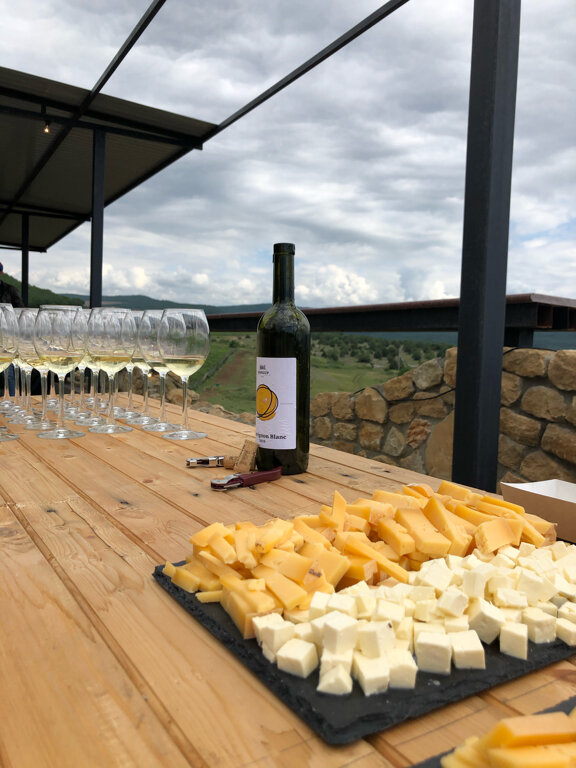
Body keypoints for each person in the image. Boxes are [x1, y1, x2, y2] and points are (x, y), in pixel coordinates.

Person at [0, 262, 23, 396]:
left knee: (8, 371)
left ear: (1, 272)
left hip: (7, 334)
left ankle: (12, 399)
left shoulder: (10, 290)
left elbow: (20, 311)